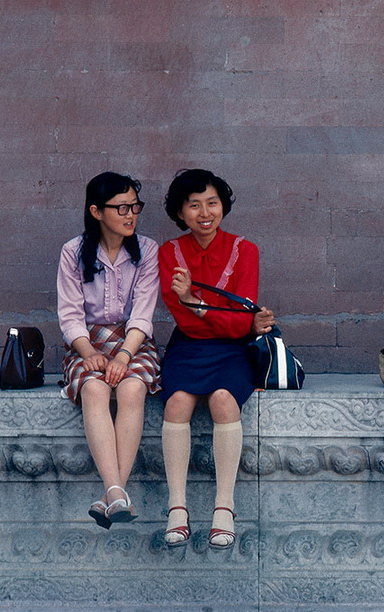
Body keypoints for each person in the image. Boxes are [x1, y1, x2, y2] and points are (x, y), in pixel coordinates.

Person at [158, 169, 275, 549]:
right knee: (176, 402)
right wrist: (220, 317)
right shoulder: (169, 253)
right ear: (180, 212)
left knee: (224, 400)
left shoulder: (246, 250)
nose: (204, 212)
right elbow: (184, 318)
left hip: (233, 351)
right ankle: (177, 508)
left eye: (212, 203)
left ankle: (223, 508)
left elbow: (242, 326)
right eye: (194, 205)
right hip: (188, 347)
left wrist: (198, 305)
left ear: (223, 205)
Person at [57, 172, 160, 529]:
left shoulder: (147, 250)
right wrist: (88, 353)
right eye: (121, 208)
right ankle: (116, 493)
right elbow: (70, 315)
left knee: (132, 388)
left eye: (135, 206)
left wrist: (123, 356)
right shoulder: (73, 252)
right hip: (87, 342)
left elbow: (144, 313)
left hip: (133, 342)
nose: (131, 214)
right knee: (95, 388)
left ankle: (112, 494)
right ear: (97, 211)